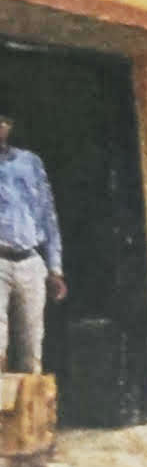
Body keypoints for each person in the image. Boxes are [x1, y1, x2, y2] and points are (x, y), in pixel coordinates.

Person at [0, 112, 65, 373]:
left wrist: (55, 268)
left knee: (32, 347)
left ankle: (30, 414)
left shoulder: (30, 163)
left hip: (30, 260)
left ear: (10, 126)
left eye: (3, 121)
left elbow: (47, 214)